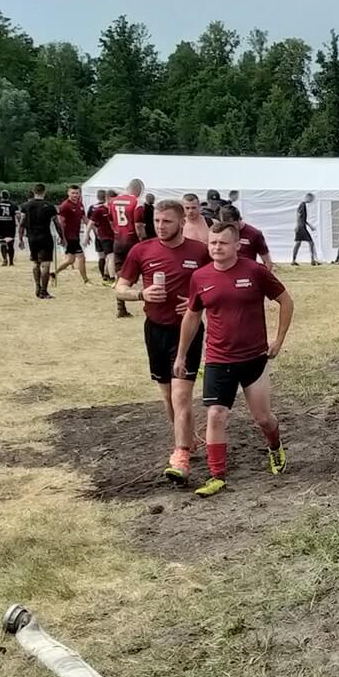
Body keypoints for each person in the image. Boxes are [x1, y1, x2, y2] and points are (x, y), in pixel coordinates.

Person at [177, 220, 291, 497]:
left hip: (254, 358)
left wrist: (278, 340)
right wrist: (181, 355)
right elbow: (192, 316)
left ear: (237, 245)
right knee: (216, 414)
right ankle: (217, 476)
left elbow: (286, 301)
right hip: (218, 359)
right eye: (213, 243)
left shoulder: (255, 272)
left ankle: (274, 446)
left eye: (223, 243)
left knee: (263, 418)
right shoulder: (200, 277)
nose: (216, 247)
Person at [114, 200, 209, 484]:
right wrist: (141, 295)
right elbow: (119, 288)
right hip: (155, 330)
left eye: (167, 221)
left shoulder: (199, 251)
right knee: (168, 396)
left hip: (187, 331)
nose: (160, 226)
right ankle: (187, 437)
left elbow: (214, 285)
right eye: (157, 221)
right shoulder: (141, 250)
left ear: (182, 222)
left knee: (181, 396)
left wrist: (196, 303)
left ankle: (181, 455)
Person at [107, 179, 146, 318]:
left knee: (120, 273)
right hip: (132, 240)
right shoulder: (137, 202)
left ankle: (120, 306)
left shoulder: (113, 201)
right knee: (144, 269)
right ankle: (148, 301)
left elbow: (111, 220)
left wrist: (116, 232)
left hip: (118, 239)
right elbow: (138, 225)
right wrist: (143, 240)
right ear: (139, 190)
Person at [20, 184, 61, 298]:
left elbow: (22, 224)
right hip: (45, 236)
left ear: (33, 192)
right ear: (44, 192)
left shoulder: (26, 206)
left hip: (32, 237)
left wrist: (20, 238)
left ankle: (37, 286)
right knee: (45, 264)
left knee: (35, 263)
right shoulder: (49, 206)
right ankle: (44, 291)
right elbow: (57, 223)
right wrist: (62, 237)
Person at [217, 204, 274, 269]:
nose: (228, 228)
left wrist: (264, 274)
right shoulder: (221, 232)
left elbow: (267, 262)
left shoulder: (254, 234)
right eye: (225, 225)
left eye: (231, 225)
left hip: (247, 272)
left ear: (239, 220)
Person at [291, 192, 319, 265]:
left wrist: (310, 226)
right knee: (310, 242)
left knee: (299, 243)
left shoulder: (303, 205)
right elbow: (298, 216)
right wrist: (297, 225)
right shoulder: (302, 205)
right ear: (308, 197)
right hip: (301, 227)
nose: (312, 201)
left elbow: (303, 218)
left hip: (301, 226)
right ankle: (312, 260)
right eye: (311, 199)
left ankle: (294, 260)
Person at [0, 192, 18, 267]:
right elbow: (18, 216)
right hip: (11, 227)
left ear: (1, 196)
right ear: (9, 196)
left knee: (3, 244)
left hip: (1, 227)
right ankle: (11, 262)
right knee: (10, 244)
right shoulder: (13, 205)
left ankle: (5, 259)